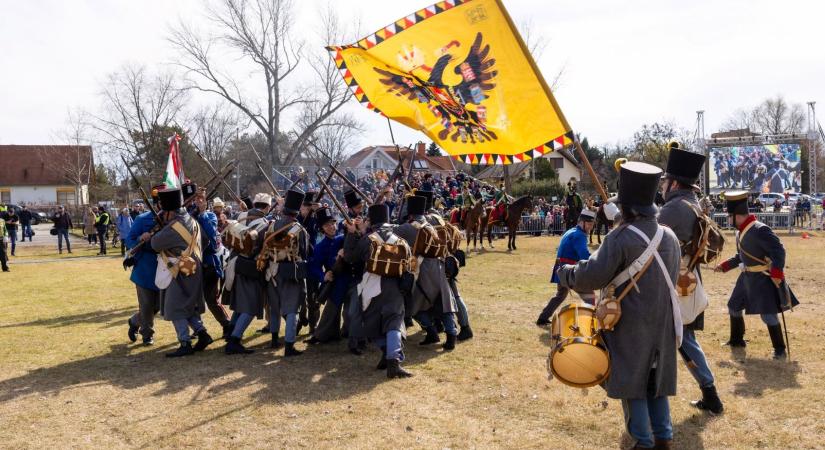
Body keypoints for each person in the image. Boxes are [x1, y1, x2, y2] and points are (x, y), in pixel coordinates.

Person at [557, 161, 681, 449]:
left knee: (632, 381)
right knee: (655, 380)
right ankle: (663, 436)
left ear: (626, 207)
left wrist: (565, 273)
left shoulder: (620, 237)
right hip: (662, 320)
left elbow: (591, 276)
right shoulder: (671, 237)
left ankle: (642, 440)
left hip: (631, 323)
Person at [657, 146, 724, 415]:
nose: (662, 186)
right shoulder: (689, 204)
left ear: (673, 183)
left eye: (664, 181)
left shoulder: (674, 208)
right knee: (686, 341)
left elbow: (654, 242)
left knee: (682, 341)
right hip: (687, 279)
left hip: (676, 282)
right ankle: (710, 394)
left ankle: (711, 395)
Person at [715, 190, 799, 360]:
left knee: (767, 315)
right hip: (746, 278)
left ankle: (779, 349)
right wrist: (725, 266)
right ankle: (737, 340)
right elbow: (742, 256)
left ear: (736, 216)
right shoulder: (741, 231)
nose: (727, 220)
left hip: (763, 279)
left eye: (729, 216)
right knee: (734, 307)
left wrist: (776, 271)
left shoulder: (760, 230)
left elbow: (778, 250)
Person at [343, 203, 413, 378]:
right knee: (394, 323)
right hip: (395, 286)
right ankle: (393, 361)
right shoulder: (400, 241)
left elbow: (351, 257)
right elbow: (409, 265)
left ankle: (387, 355)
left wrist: (351, 234)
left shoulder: (367, 239)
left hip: (371, 285)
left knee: (371, 322)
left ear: (372, 220)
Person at [151, 186, 214, 357]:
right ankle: (202, 334)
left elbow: (155, 244)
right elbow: (206, 242)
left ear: (170, 211)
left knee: (175, 307)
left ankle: (185, 342)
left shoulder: (173, 227)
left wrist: (162, 230)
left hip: (179, 270)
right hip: (194, 268)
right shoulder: (192, 221)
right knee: (188, 306)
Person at [395, 195, 458, 350]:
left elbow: (392, 233)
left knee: (414, 306)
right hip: (440, 266)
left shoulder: (406, 228)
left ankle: (431, 331)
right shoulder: (432, 223)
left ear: (410, 214)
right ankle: (451, 335)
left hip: (422, 269)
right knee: (444, 302)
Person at [258, 189, 309, 356]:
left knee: (274, 307)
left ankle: (274, 339)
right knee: (292, 309)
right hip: (290, 271)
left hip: (272, 271)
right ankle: (289, 345)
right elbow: (304, 251)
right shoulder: (298, 229)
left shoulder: (272, 224)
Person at [224, 193, 272, 355]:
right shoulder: (265, 224)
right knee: (250, 307)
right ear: (267, 207)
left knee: (240, 304)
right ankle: (234, 340)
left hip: (235, 262)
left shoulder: (241, 216)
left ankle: (231, 333)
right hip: (251, 267)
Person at [535, 208, 595, 326]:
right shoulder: (579, 235)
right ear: (581, 222)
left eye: (592, 224)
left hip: (561, 269)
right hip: (569, 271)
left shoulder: (571, 231)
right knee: (589, 296)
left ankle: (542, 318)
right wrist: (597, 260)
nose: (590, 227)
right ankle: (594, 323)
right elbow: (584, 255)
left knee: (560, 295)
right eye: (588, 224)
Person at [190, 187, 231, 338]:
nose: (198, 201)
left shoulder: (210, 217)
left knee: (211, 299)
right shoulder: (188, 217)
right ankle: (197, 328)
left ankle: (227, 324)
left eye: (201, 199)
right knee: (193, 299)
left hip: (209, 264)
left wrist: (202, 214)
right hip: (193, 264)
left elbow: (212, 239)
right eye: (196, 199)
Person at [125, 187, 163, 346]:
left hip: (164, 267)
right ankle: (147, 334)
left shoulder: (172, 220)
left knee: (159, 306)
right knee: (147, 305)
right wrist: (141, 237)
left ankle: (135, 321)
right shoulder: (142, 219)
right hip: (145, 268)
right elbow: (129, 240)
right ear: (157, 204)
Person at [307, 207, 350, 344]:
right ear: (322, 229)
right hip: (335, 281)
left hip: (350, 279)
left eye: (332, 223)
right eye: (327, 225)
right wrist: (323, 276)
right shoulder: (320, 247)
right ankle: (323, 335)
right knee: (332, 310)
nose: (331, 227)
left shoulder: (344, 239)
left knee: (350, 311)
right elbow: (314, 267)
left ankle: (349, 333)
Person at [297, 191, 321, 334]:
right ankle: (301, 320)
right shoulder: (296, 219)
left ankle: (313, 325)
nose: (305, 210)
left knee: (313, 296)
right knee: (300, 296)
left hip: (312, 260)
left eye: (308, 207)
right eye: (304, 207)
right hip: (298, 260)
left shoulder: (316, 219)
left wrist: (319, 211)